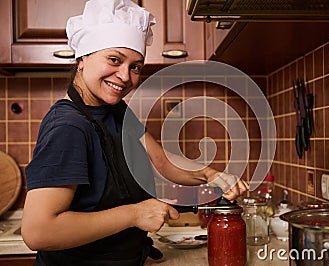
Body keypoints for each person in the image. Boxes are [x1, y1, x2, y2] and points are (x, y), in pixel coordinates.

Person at [21, 0, 248, 265]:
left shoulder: (115, 110)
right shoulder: (68, 127)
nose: (125, 76)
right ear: (83, 57)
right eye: (114, 60)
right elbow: (38, 232)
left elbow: (162, 161)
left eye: (135, 66)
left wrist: (212, 174)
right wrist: (134, 214)